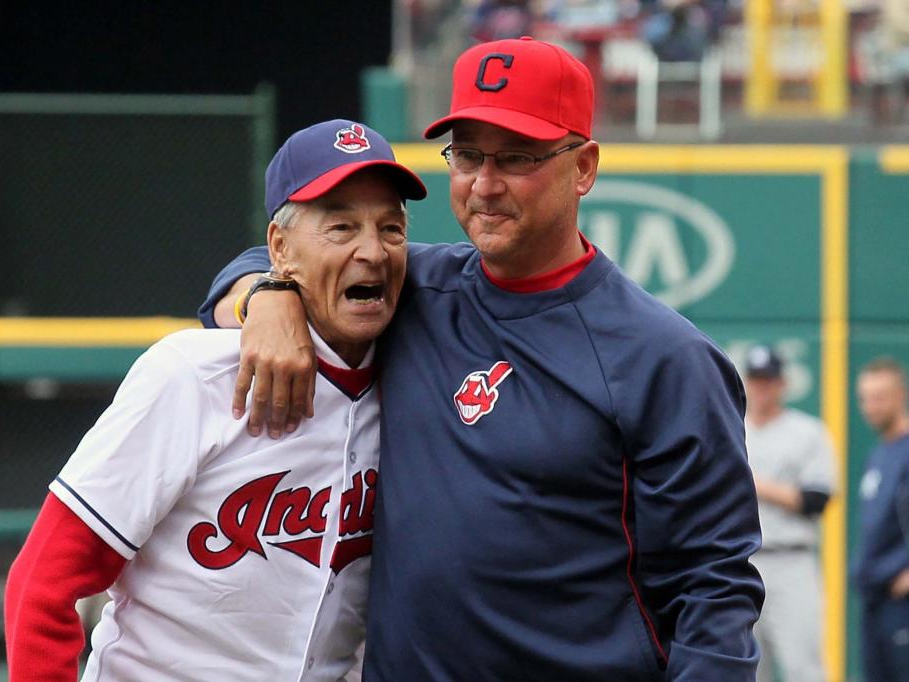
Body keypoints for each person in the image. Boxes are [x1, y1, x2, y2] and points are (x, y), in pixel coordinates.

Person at [201, 37, 764, 680]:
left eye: (516, 157)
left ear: (583, 167)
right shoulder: (412, 289)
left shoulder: (665, 359)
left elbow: (715, 591)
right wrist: (266, 296)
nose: (484, 185)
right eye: (466, 155)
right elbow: (274, 258)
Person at [4, 119, 426, 681]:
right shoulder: (193, 374)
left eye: (391, 229)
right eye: (341, 226)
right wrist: (261, 294)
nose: (371, 251)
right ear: (279, 247)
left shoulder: (417, 381)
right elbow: (43, 584)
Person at [742, 344, 835, 682]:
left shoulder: (807, 432)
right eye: (755, 379)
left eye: (768, 380)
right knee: (747, 668)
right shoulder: (733, 429)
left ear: (782, 384)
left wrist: (754, 484)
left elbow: (817, 499)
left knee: (803, 668)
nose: (761, 387)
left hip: (791, 561)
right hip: (743, 563)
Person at [853, 356, 909, 682]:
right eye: (864, 398)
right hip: (875, 597)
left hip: (901, 601)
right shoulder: (879, 453)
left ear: (900, 395)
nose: (870, 406)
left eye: (879, 397)